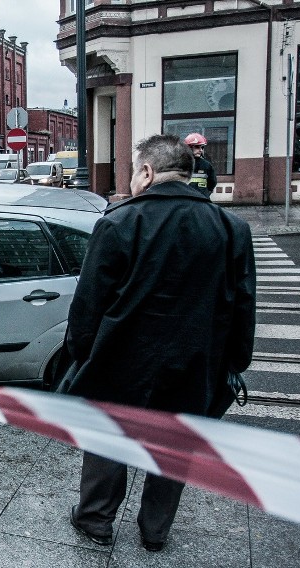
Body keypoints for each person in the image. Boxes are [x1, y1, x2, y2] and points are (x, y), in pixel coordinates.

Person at [62, 134, 256, 552]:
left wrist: (81, 353)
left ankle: (96, 519)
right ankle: (155, 531)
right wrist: (235, 362)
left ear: (147, 172)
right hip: (195, 362)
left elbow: (89, 303)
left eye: (135, 172)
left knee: (108, 438)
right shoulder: (231, 228)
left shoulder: (118, 222)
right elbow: (243, 302)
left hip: (120, 360)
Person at [184, 132, 217, 198]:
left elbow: (212, 183)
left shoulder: (206, 165)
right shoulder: (180, 164)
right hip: (187, 200)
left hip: (201, 200)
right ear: (188, 148)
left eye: (202, 147)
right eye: (197, 147)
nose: (201, 150)